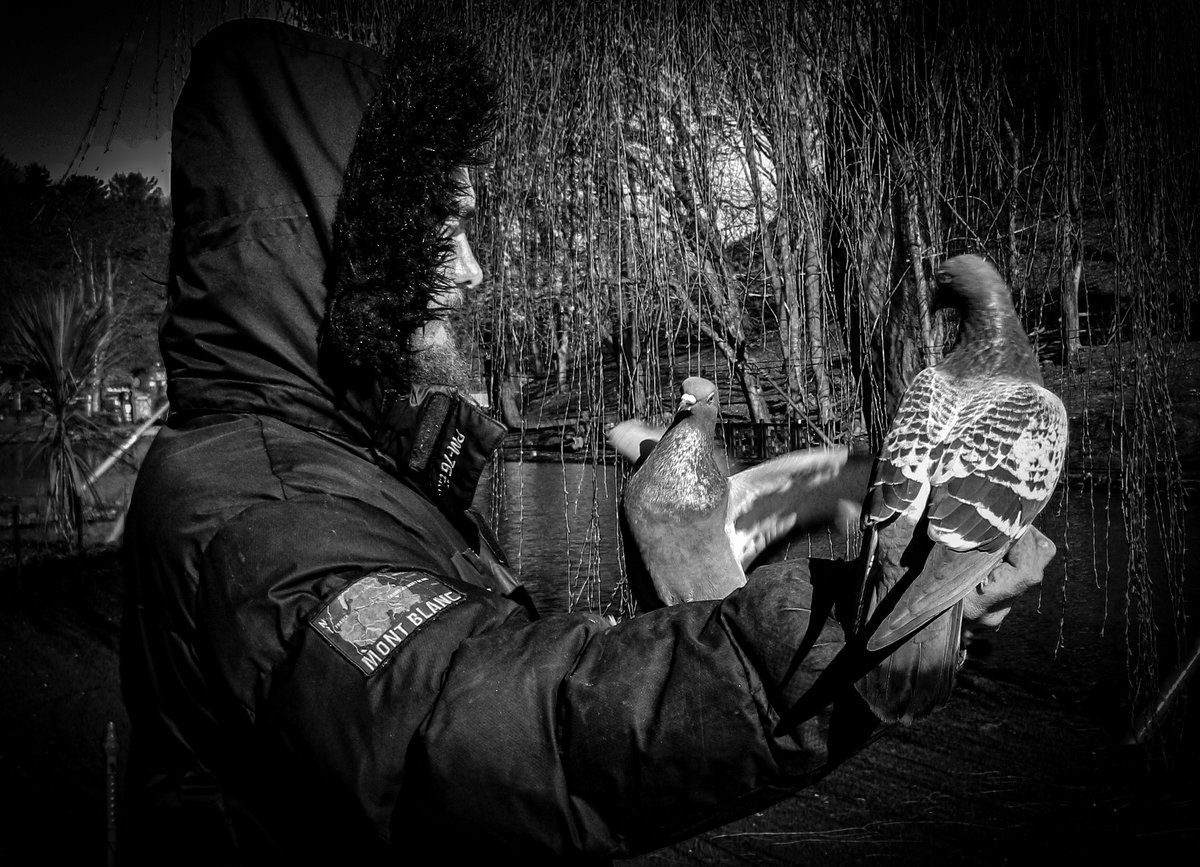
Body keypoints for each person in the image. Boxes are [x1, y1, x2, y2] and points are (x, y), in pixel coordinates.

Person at [119, 16, 1056, 865]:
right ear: (348, 248)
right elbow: (477, 729)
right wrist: (854, 629)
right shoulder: (262, 509)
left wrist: (699, 544)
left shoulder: (350, 465)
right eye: (436, 231)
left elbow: (489, 655)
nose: (474, 269)